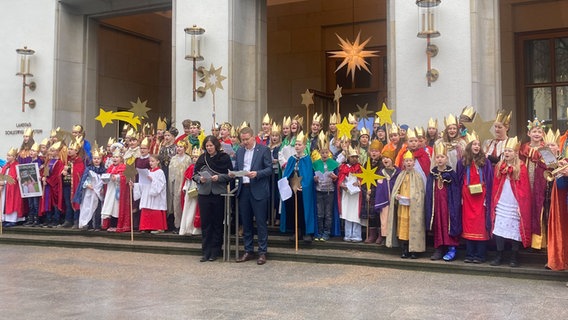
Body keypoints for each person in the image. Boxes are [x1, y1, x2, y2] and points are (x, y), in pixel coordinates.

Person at [233, 127, 273, 265]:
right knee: (246, 222)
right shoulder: (239, 150)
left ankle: (262, 252)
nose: (244, 142)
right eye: (242, 140)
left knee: (261, 222)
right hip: (243, 189)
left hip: (258, 189)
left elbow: (269, 169)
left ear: (253, 137)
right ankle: (248, 250)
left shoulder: (263, 150)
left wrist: (257, 173)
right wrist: (235, 173)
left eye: (247, 139)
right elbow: (238, 167)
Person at [490, 137, 531, 267]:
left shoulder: (521, 167)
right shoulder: (499, 166)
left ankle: (514, 256)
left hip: (514, 201)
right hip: (502, 199)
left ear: (516, 153)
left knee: (514, 229)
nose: (507, 153)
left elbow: (524, 188)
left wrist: (521, 205)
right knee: (500, 229)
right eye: (505, 151)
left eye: (510, 151)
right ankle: (499, 254)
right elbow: (495, 185)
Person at [194, 135, 233, 262]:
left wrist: (219, 177)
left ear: (216, 145)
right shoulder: (202, 158)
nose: (209, 148)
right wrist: (200, 179)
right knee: (206, 223)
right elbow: (194, 175)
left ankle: (216, 250)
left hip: (218, 193)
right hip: (204, 193)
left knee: (217, 223)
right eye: (207, 146)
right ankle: (205, 251)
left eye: (211, 145)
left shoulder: (224, 158)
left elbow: (230, 175)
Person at [457, 131, 493, 264]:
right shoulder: (462, 162)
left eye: (478, 144)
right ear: (469, 146)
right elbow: (459, 179)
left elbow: (489, 179)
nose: (477, 146)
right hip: (467, 198)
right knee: (469, 225)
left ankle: (480, 255)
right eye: (474, 144)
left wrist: (487, 198)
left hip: (481, 198)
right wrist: (461, 195)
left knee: (480, 226)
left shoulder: (486, 162)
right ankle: (470, 253)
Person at [425, 141, 461, 261]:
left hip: (448, 204)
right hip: (437, 205)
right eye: (438, 157)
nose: (440, 159)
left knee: (449, 223)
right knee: (438, 224)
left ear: (446, 159)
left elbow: (456, 190)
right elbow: (429, 190)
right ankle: (439, 248)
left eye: (442, 157)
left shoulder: (452, 173)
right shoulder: (432, 173)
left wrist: (449, 180)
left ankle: (451, 248)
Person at [386, 151, 426, 259]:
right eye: (406, 161)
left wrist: (413, 199)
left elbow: (421, 193)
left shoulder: (418, 176)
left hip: (413, 208)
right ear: (403, 163)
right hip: (403, 207)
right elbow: (395, 190)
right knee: (403, 229)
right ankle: (404, 249)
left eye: (410, 161)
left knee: (413, 227)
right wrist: (397, 196)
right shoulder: (400, 175)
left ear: (414, 163)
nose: (408, 163)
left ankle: (414, 250)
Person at [280, 131, 316, 243]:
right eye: (296, 144)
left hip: (303, 190)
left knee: (304, 209)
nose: (297, 146)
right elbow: (287, 173)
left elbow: (309, 176)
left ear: (304, 146)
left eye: (299, 144)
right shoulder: (291, 159)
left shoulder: (307, 159)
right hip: (292, 189)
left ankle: (307, 232)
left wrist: (303, 186)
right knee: (293, 210)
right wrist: (287, 184)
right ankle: (296, 231)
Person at [519, 118, 547, 250]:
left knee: (538, 208)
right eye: (534, 131)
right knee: (525, 208)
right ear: (529, 133)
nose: (536, 134)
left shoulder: (545, 148)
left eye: (539, 132)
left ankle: (537, 242)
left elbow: (551, 165)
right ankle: (524, 238)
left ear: (543, 134)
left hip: (540, 183)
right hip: (526, 182)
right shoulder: (523, 147)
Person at [312, 132, 339, 242]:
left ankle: (326, 232)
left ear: (329, 153)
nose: (324, 155)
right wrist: (314, 179)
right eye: (322, 153)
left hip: (329, 191)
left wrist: (334, 177)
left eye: (326, 152)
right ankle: (319, 232)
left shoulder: (334, 163)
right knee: (319, 213)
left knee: (328, 214)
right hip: (319, 191)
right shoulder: (315, 163)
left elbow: (337, 178)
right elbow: (311, 177)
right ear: (319, 152)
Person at [135, 154, 168, 234]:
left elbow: (161, 184)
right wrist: (135, 185)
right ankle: (146, 227)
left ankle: (158, 227)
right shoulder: (148, 172)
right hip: (146, 194)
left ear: (158, 161)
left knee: (155, 208)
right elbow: (142, 184)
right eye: (150, 161)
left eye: (152, 161)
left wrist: (152, 180)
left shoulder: (160, 172)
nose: (150, 163)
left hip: (155, 196)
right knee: (146, 208)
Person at [75, 146, 106, 230]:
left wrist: (103, 188)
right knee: (88, 207)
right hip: (90, 191)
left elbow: (105, 181)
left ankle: (97, 225)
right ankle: (88, 224)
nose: (96, 160)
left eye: (98, 159)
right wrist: (87, 184)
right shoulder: (88, 169)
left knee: (98, 208)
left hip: (99, 192)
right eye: (95, 158)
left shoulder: (103, 170)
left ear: (101, 159)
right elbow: (84, 180)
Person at [374, 148, 400, 246]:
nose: (385, 160)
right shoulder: (380, 173)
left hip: (395, 201)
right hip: (384, 201)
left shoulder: (398, 173)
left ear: (392, 159)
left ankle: (396, 238)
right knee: (384, 219)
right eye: (384, 158)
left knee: (395, 218)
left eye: (388, 158)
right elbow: (378, 188)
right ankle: (385, 238)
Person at [337, 146, 363, 242]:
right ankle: (348, 234)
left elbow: (363, 179)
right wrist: (341, 184)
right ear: (348, 157)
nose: (355, 159)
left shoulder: (360, 167)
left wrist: (359, 183)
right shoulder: (343, 167)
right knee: (347, 213)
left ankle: (356, 235)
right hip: (347, 193)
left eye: (356, 157)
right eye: (352, 157)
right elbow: (340, 178)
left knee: (355, 214)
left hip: (356, 194)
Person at [169, 140, 191, 233]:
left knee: (183, 203)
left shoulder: (187, 159)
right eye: (177, 146)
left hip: (184, 183)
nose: (179, 148)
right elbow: (171, 172)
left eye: (181, 147)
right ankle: (176, 225)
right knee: (176, 204)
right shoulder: (173, 159)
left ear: (185, 148)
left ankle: (184, 225)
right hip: (175, 184)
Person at [179, 147, 202, 236]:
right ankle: (187, 228)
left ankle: (195, 229)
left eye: (197, 157)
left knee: (196, 211)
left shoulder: (202, 167)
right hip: (190, 192)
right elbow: (187, 180)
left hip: (198, 192)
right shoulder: (191, 167)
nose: (195, 159)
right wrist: (185, 188)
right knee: (188, 210)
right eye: (194, 157)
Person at [1, 148, 23, 227]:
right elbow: (2, 174)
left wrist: (5, 181)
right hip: (5, 188)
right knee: (4, 203)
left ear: (14, 157)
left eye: (10, 156)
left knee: (13, 202)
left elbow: (14, 177)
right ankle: (5, 219)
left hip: (14, 189)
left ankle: (13, 220)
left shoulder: (17, 165)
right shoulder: (6, 165)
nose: (8, 157)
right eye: (8, 155)